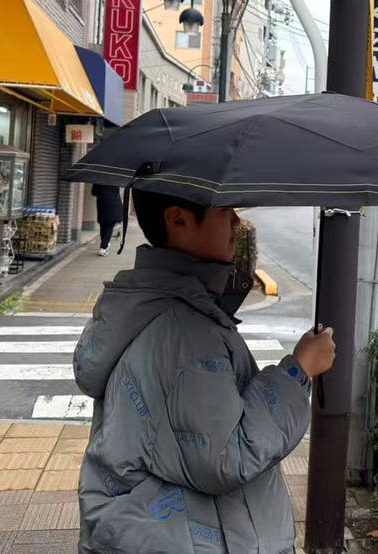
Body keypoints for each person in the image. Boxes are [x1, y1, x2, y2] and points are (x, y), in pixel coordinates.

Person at [73, 188, 336, 553]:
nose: (236, 221)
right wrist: (298, 370)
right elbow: (225, 457)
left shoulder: (151, 305)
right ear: (178, 219)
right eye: (224, 210)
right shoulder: (186, 330)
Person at [91, 184, 123, 256]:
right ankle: (104, 246)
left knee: (103, 226)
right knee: (109, 227)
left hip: (102, 204)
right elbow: (116, 192)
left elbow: (93, 192)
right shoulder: (115, 180)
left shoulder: (98, 180)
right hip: (114, 205)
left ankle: (104, 246)